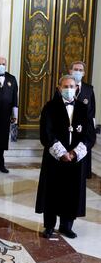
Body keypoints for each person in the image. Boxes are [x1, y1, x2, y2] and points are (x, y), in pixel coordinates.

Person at [36, 75, 95, 239]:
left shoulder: (84, 109)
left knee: (72, 192)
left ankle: (66, 225)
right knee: (52, 192)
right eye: (65, 86)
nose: (69, 89)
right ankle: (49, 226)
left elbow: (90, 135)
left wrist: (75, 153)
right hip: (55, 159)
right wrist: (61, 153)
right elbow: (46, 133)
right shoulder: (50, 107)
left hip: (76, 159)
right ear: (59, 88)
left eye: (72, 86)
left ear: (76, 88)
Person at [69, 61, 96, 179]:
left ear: (84, 73)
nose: (78, 72)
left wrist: (91, 130)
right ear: (70, 71)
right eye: (76, 69)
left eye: (80, 70)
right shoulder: (65, 87)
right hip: (68, 127)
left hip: (83, 129)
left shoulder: (89, 90)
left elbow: (92, 111)